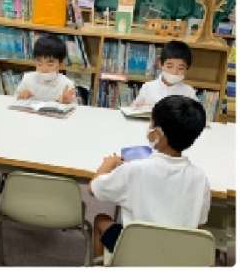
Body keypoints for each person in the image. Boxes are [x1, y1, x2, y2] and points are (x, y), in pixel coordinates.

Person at [90, 95, 210, 258]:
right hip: (178, 256)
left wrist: (107, 164)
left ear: (157, 134)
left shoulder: (134, 169)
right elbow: (200, 223)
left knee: (101, 219)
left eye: (151, 123)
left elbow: (94, 189)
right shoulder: (200, 178)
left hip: (136, 253)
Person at [133, 40, 197, 107]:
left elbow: (196, 112)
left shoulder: (189, 93)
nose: (174, 72)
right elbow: (134, 109)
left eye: (180, 68)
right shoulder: (148, 88)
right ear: (160, 64)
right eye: (169, 66)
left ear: (187, 68)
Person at [15, 34, 77, 103]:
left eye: (50, 64)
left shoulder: (67, 84)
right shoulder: (27, 79)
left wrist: (66, 102)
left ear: (60, 64)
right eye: (39, 63)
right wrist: (21, 97)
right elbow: (16, 99)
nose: (44, 69)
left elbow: (74, 106)